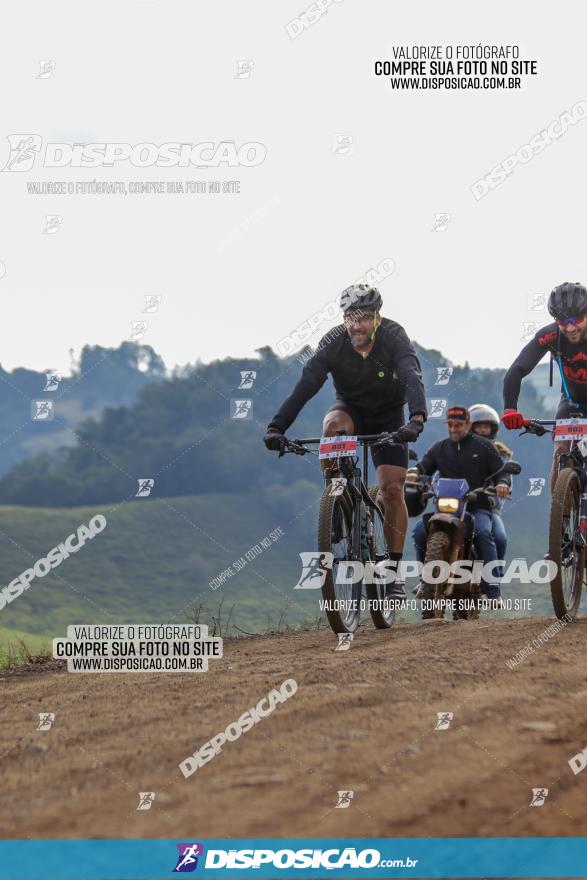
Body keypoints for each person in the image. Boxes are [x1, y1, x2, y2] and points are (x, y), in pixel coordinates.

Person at [263, 284, 427, 597]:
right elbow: (307, 384)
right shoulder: (333, 342)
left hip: (388, 417)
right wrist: (276, 426)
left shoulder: (394, 336)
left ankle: (392, 569)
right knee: (332, 426)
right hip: (350, 409)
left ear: (377, 318)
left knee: (393, 488)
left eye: (364, 317)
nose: (357, 324)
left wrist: (416, 418)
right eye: (351, 317)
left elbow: (410, 375)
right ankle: (336, 497)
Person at [407, 405, 510, 615]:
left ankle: (493, 590)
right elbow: (424, 465)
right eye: (450, 425)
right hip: (446, 508)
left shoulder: (485, 447)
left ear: (467, 425)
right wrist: (414, 472)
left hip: (477, 507)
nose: (454, 429)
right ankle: (425, 580)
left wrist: (502, 484)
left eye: (458, 425)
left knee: (483, 532)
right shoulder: (440, 448)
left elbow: (502, 472)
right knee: (419, 532)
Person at [502, 281, 587, 492]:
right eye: (562, 321)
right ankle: (561, 518)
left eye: (576, 319)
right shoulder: (549, 336)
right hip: (572, 402)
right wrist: (510, 408)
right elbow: (517, 369)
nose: (570, 327)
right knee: (560, 451)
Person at [469, 403, 513, 578]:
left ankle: (494, 578)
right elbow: (441, 474)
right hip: (456, 506)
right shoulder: (457, 449)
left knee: (500, 538)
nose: (482, 430)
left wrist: (499, 491)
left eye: (486, 427)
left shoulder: (502, 455)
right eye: (478, 426)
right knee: (423, 531)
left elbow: (506, 484)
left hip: (488, 508)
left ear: (493, 430)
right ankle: (426, 577)